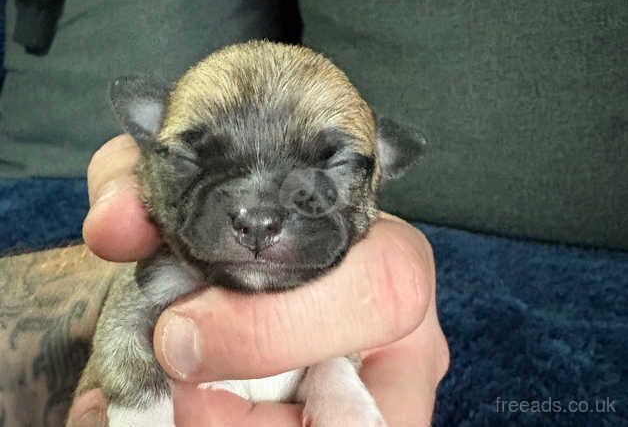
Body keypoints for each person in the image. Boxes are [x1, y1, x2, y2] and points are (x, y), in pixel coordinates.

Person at [38, 133, 448, 426]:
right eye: (196, 158)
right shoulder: (154, 265)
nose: (257, 214)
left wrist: (336, 381)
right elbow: (127, 328)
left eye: (328, 167)